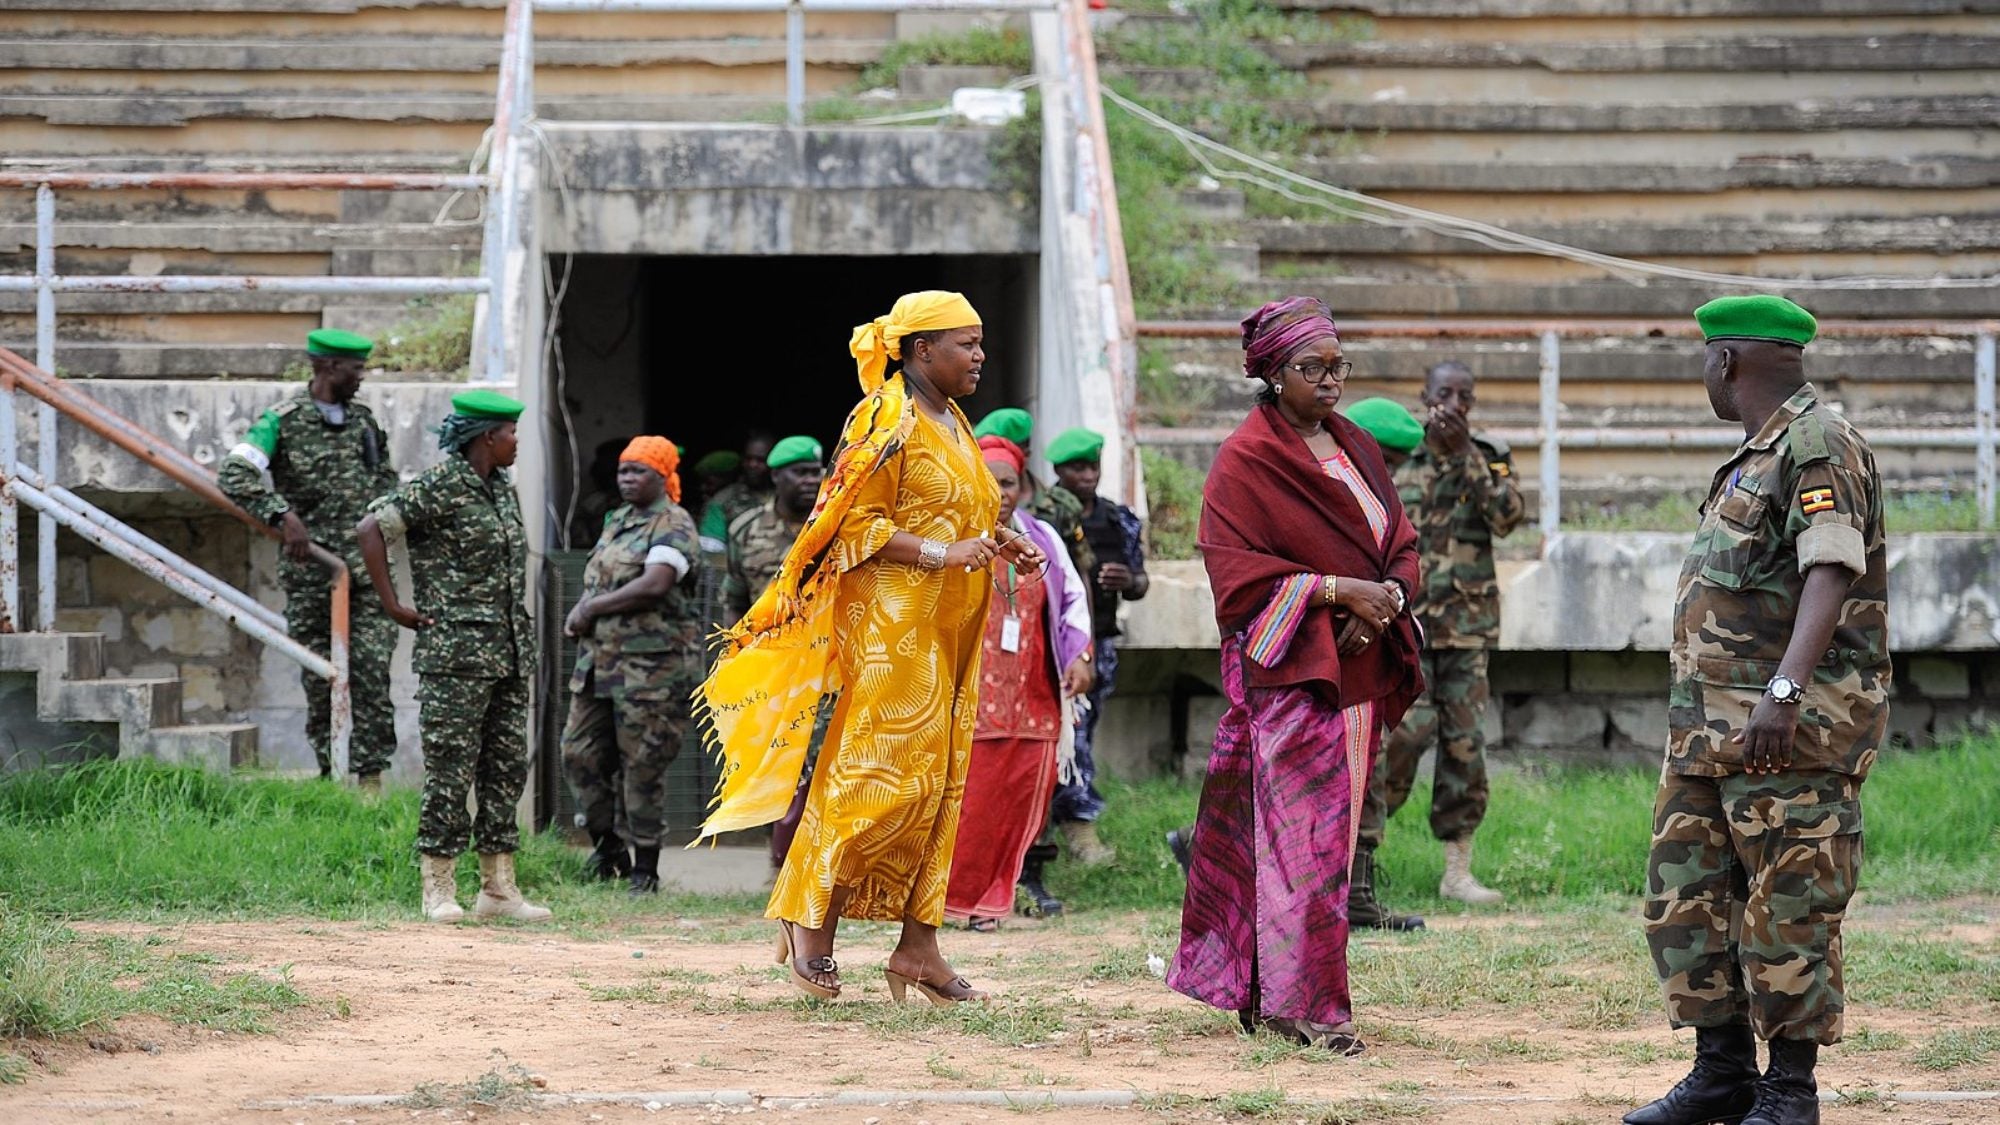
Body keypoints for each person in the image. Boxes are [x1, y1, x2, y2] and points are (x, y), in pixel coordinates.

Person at [696, 290, 1041, 1004]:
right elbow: (850, 526)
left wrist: (998, 539)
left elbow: (956, 509)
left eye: (981, 343)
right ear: (919, 351)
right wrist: (947, 551)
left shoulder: (952, 419)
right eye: (964, 344)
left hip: (950, 629)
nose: (980, 356)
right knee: (877, 775)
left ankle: (919, 946)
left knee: (942, 783)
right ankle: (809, 918)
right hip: (894, 630)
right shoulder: (884, 416)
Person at [1626, 296, 1887, 1125]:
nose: (1705, 374)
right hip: (1710, 736)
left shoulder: (1817, 441)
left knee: (1789, 909)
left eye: (1707, 360)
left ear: (1729, 362)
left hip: (1789, 735)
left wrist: (1784, 691)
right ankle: (1724, 1071)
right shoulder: (1753, 454)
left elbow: (1832, 566)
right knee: (1689, 902)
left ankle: (1788, 1091)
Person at [1169, 297, 1423, 1055]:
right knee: (1298, 847)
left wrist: (1383, 605)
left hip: (1355, 673)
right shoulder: (1246, 460)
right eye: (1313, 368)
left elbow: (1401, 541)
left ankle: (1283, 994)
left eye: (1338, 365)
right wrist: (1338, 592)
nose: (1331, 381)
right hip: (1293, 680)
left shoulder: (1355, 445)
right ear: (1273, 375)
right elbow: (1237, 575)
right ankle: (1301, 1007)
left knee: (1330, 848)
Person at [355, 390, 550, 925]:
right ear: (487, 436)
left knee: (506, 769)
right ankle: (438, 885)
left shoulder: (501, 490)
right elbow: (371, 528)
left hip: (509, 652)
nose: (516, 443)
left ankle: (498, 888)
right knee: (450, 771)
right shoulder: (442, 485)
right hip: (455, 657)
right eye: (511, 433)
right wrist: (394, 605)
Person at [1356, 363, 1525, 917]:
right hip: (1407, 625)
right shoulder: (1399, 456)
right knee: (1398, 741)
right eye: (1444, 393)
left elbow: (1507, 517)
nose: (1454, 403)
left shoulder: (1488, 453)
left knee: (1465, 747)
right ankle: (1360, 857)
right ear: (1423, 397)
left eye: (1465, 395)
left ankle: (1457, 869)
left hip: (1468, 630)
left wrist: (1465, 459)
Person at [218, 329, 400, 787]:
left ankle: (371, 782)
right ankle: (331, 774)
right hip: (313, 575)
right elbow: (234, 472)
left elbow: (386, 481)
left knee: (374, 674)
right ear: (326, 367)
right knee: (321, 680)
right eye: (354, 368)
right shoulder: (281, 421)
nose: (361, 377)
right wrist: (281, 514)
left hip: (366, 573)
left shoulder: (364, 421)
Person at [944, 435, 1094, 931]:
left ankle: (990, 900)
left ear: (1022, 486)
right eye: (989, 482)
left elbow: (1072, 600)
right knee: (968, 801)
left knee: (1019, 799)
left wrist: (1081, 655)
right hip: (968, 700)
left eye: (1008, 482)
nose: (1000, 492)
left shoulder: (1044, 538)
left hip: (1035, 696)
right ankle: (947, 901)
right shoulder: (950, 537)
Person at [560, 436, 703, 896]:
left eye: (638, 471)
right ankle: (609, 849)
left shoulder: (674, 524)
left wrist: (592, 609)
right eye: (623, 470)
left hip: (652, 675)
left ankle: (645, 868)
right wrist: (581, 607)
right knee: (578, 754)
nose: (627, 479)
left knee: (642, 769)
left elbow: (654, 584)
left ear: (663, 476)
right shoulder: (616, 521)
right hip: (599, 668)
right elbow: (598, 578)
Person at [720, 434, 829, 873]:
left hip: (826, 664)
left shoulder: (836, 523)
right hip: (769, 667)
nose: (811, 480)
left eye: (816, 470)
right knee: (777, 763)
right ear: (775, 476)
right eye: (800, 472)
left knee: (822, 763)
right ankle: (783, 866)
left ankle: (816, 867)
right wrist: (733, 654)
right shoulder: (745, 529)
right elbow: (734, 597)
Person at [1047, 426, 1148, 867]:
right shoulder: (1044, 518)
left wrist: (1129, 581)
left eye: (1092, 466)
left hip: (1101, 643)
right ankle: (1074, 828)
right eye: (1076, 468)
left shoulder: (1119, 518)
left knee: (1083, 735)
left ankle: (1069, 826)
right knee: (1063, 739)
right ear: (1057, 470)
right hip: (1053, 646)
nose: (1087, 476)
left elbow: (1140, 582)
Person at [699, 433, 775, 551]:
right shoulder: (723, 500)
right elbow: (712, 550)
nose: (752, 465)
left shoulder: (787, 497)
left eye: (760, 460)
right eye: (748, 459)